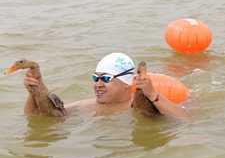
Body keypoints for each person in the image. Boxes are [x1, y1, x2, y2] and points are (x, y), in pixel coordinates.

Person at [22, 52, 187, 119]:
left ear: (127, 82)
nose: (98, 84)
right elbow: (37, 118)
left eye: (106, 79)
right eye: (96, 78)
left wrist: (152, 95)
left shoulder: (139, 106)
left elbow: (185, 120)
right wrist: (34, 93)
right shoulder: (86, 106)